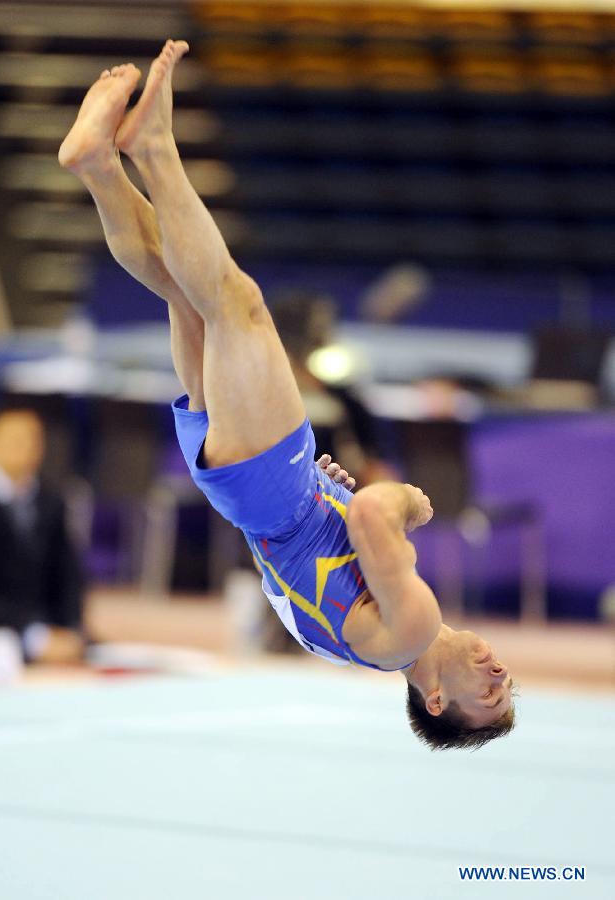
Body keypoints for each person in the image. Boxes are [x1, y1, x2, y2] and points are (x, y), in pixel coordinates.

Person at [58, 41, 515, 750]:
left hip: (275, 490)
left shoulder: (415, 629)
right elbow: (302, 574)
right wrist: (327, 500)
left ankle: (153, 148)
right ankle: (97, 168)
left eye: (486, 697)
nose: (498, 673)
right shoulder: (362, 644)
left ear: (433, 698)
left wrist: (407, 502)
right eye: (508, 683)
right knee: (186, 294)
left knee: (238, 303)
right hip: (263, 498)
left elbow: (370, 511)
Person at [0, 406, 85, 663]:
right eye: (14, 440)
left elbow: (68, 574)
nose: (24, 448)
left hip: (45, 628)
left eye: (33, 440)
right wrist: (30, 634)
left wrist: (70, 627)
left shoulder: (51, 502)